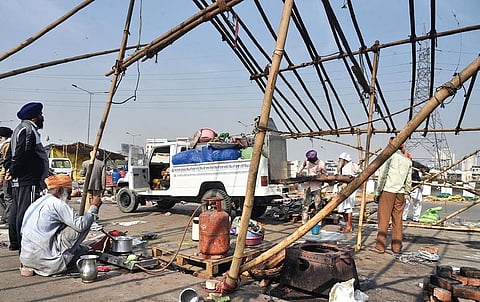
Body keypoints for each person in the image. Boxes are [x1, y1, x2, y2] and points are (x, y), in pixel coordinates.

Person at [20, 174, 102, 277]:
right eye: (68, 192)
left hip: (26, 259)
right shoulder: (57, 203)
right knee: (84, 224)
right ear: (59, 190)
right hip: (48, 262)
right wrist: (93, 207)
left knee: (74, 226)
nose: (70, 197)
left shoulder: (38, 202)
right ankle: (64, 258)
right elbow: (81, 225)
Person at [8, 102, 49, 251]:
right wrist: (13, 170)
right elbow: (22, 153)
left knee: (17, 210)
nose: (42, 117)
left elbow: (11, 155)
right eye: (40, 115)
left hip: (20, 176)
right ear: (35, 117)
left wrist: (10, 169)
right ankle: (24, 246)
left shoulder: (18, 130)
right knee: (27, 212)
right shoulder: (28, 130)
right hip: (28, 178)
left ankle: (15, 242)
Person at [373, 139, 412, 254]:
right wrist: (406, 193)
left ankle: (380, 246)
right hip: (400, 192)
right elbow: (408, 181)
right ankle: (396, 247)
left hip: (388, 190)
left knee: (383, 219)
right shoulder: (407, 161)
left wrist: (377, 192)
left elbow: (383, 176)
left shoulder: (389, 157)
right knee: (398, 220)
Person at [335, 152, 360, 233]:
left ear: (344, 159)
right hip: (343, 189)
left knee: (348, 208)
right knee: (343, 209)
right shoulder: (342, 167)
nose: (339, 161)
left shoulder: (352, 165)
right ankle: (347, 225)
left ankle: (349, 226)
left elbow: (358, 173)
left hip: (350, 189)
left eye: (340, 159)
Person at [0, 126, 13, 228]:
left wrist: (1, 177)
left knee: (8, 198)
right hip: (6, 175)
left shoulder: (6, 145)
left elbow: (6, 163)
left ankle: (8, 219)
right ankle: (5, 217)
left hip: (6, 176)